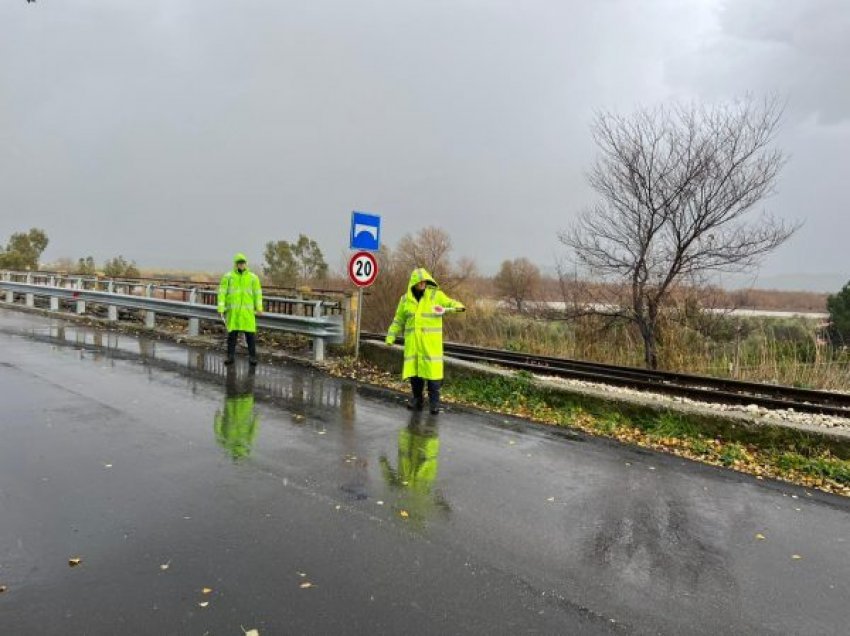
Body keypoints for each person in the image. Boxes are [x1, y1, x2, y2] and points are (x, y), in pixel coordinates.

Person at [385, 267, 465, 413]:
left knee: (433, 377)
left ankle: (434, 403)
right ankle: (417, 399)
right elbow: (398, 320)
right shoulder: (405, 300)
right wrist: (391, 336)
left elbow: (456, 305)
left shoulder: (436, 296)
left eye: (424, 281)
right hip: (413, 345)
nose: (422, 284)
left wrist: (447, 310)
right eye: (420, 282)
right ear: (413, 283)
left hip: (430, 346)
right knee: (415, 376)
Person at [217, 252, 263, 366]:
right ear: (235, 264)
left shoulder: (253, 278)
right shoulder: (228, 277)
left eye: (243, 263)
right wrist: (221, 308)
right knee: (232, 336)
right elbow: (222, 293)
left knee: (250, 336)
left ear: (246, 264)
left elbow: (258, 294)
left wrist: (259, 308)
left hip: (247, 313)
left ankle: (252, 357)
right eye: (239, 263)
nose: (241, 265)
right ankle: (230, 357)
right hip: (234, 313)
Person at [214, 366, 259, 461]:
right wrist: (217, 417)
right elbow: (217, 432)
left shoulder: (246, 443)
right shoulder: (226, 445)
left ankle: (251, 363)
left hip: (246, 402)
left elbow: (253, 431)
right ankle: (232, 362)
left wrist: (256, 418)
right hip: (232, 401)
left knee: (250, 377)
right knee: (231, 376)